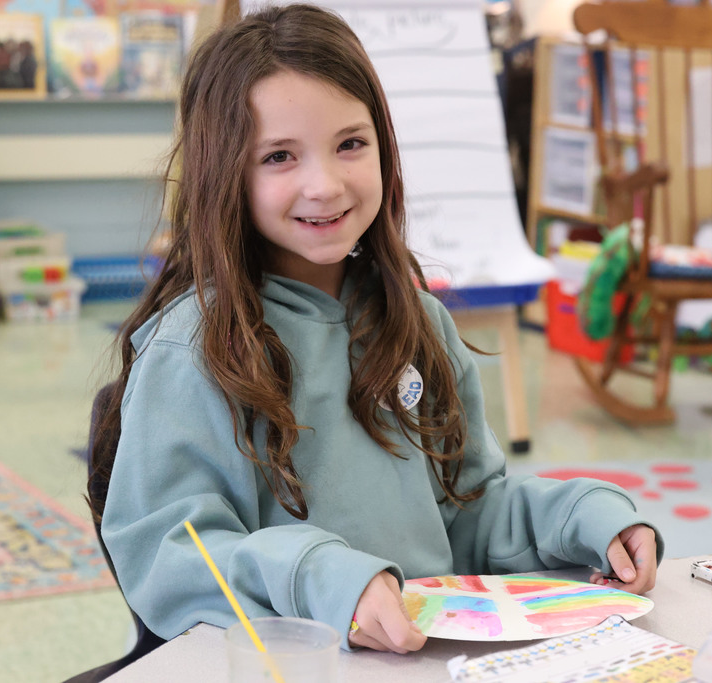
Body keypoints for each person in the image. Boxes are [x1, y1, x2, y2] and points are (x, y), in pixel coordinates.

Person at [92, 3, 661, 656]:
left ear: (384, 147)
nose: (325, 184)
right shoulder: (192, 349)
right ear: (226, 173)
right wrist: (322, 580)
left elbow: (468, 515)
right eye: (279, 156)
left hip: (430, 661)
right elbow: (170, 558)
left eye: (350, 144)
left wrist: (584, 518)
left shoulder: (421, 324)